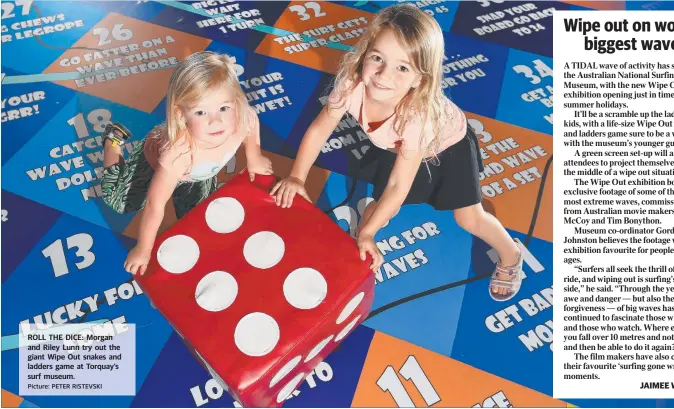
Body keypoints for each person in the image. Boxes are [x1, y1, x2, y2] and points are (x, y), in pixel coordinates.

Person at [270, 4, 523, 301]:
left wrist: (368, 232)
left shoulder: (415, 117)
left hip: (448, 147)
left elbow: (397, 185)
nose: (382, 75)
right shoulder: (351, 83)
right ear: (365, 54)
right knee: (373, 214)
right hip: (397, 145)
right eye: (377, 58)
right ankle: (361, 252)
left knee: (469, 219)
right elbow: (319, 130)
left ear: (420, 78)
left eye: (402, 67)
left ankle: (511, 255)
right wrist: (297, 177)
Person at [101, 51, 273, 276]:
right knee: (119, 200)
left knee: (200, 219)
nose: (216, 121)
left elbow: (251, 121)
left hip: (195, 174)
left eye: (224, 108)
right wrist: (144, 248)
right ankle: (112, 141)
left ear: (236, 102)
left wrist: (254, 155)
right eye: (201, 112)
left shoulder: (241, 117)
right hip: (155, 163)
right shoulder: (178, 152)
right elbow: (155, 204)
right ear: (181, 114)